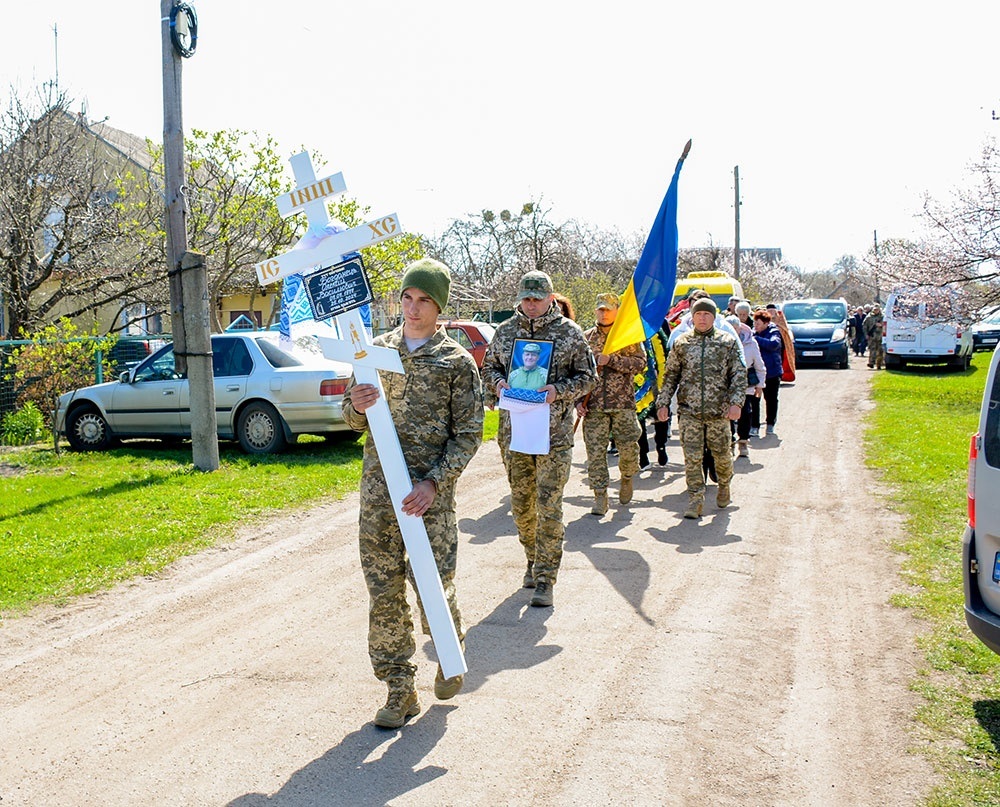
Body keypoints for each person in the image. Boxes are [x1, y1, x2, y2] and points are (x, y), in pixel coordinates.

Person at [342, 258, 483, 729]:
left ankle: (448, 649)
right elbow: (349, 412)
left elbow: (468, 434)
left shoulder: (456, 362)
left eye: (424, 300)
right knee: (383, 590)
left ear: (439, 306)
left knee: (432, 585)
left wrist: (434, 482)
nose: (414, 308)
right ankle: (399, 689)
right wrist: (356, 407)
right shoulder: (373, 351)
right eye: (407, 297)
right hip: (380, 495)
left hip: (428, 498)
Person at [481, 270, 597, 608]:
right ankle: (532, 558)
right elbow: (489, 369)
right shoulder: (505, 332)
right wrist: (498, 384)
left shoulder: (569, 333)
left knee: (549, 505)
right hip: (515, 431)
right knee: (521, 506)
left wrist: (558, 391)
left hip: (554, 433)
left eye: (537, 299)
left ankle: (546, 577)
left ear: (550, 298)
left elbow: (588, 376)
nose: (531, 305)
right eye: (526, 299)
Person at [654, 297, 745, 519]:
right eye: (698, 314)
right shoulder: (682, 343)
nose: (702, 318)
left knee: (722, 455)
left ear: (714, 317)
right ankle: (695, 499)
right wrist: (663, 402)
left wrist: (736, 402)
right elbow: (671, 375)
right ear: (692, 317)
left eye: (706, 315)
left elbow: (738, 374)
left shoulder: (727, 342)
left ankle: (724, 484)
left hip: (718, 412)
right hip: (689, 412)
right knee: (692, 457)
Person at [577, 293, 646, 515]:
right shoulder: (586, 337)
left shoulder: (627, 337)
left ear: (617, 310)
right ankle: (600, 495)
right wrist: (578, 401)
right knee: (595, 453)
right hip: (594, 405)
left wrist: (613, 360)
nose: (603, 313)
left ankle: (626, 476)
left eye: (607, 309)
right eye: (600, 309)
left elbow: (640, 364)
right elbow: (577, 371)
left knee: (628, 448)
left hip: (622, 403)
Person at [734, 320, 766, 459]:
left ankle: (743, 442)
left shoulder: (751, 343)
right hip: (725, 385)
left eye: (736, 328)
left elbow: (759, 365)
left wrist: (760, 385)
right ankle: (729, 442)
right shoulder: (720, 342)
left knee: (745, 413)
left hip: (745, 385)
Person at [753, 309, 784, 436]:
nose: (755, 326)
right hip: (757, 373)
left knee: (771, 399)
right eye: (754, 323)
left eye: (758, 323)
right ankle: (754, 425)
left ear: (766, 323)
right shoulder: (752, 332)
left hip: (772, 372)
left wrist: (756, 339)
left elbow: (773, 344)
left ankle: (770, 423)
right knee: (754, 400)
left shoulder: (774, 332)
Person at [864, 304, 885, 369]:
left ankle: (879, 364)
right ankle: (871, 363)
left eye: (877, 310)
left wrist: (881, 325)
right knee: (872, 349)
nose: (876, 311)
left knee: (880, 350)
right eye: (875, 310)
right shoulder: (869, 317)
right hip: (872, 336)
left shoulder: (883, 317)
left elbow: (886, 325)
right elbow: (865, 326)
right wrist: (866, 334)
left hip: (880, 336)